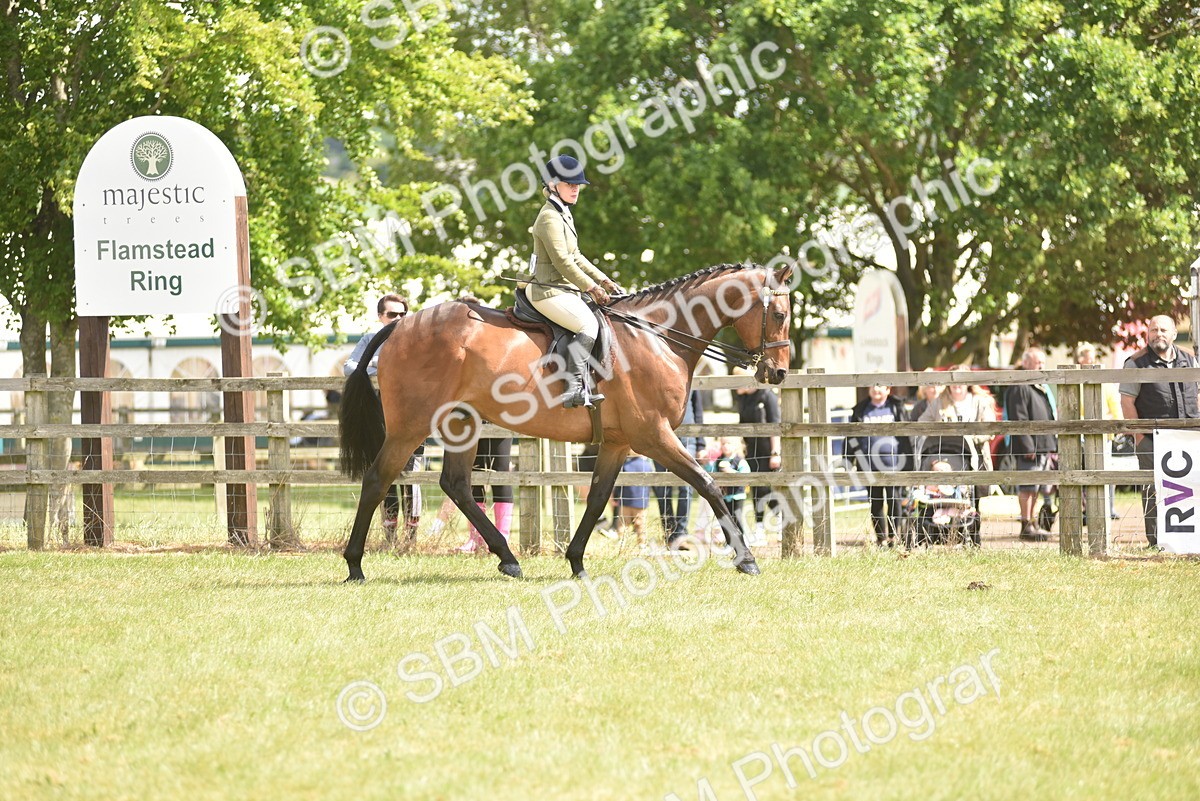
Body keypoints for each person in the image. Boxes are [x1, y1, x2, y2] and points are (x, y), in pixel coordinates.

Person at [527, 155, 622, 409]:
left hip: (563, 290)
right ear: (552, 184)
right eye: (570, 184)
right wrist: (591, 287)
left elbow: (576, 256)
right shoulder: (549, 217)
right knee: (588, 325)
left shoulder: (563, 213)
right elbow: (562, 262)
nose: (575, 188)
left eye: (577, 184)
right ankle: (572, 389)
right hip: (547, 291)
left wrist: (604, 279)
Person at [343, 293, 421, 543]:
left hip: (412, 418)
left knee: (412, 477)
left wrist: (375, 365)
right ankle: (390, 535)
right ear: (380, 317)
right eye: (392, 314)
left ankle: (411, 537)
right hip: (379, 417)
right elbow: (349, 367)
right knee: (384, 473)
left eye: (402, 314)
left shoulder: (417, 340)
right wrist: (383, 362)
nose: (398, 319)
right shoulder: (369, 339)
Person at [1119, 315, 1199, 547]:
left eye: (1164, 330)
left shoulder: (1190, 360)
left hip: (1189, 438)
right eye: (1153, 330)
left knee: (1193, 484)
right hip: (1153, 440)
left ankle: (1191, 539)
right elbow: (1127, 403)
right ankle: (1157, 541)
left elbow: (1198, 394)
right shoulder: (1135, 363)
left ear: (1174, 333)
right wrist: (1139, 437)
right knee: (1154, 489)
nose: (1158, 334)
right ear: (1148, 334)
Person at [847, 384, 912, 546]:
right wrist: (848, 460)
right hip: (869, 464)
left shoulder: (896, 407)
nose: (876, 390)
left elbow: (906, 436)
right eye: (873, 386)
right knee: (875, 501)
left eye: (880, 386)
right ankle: (881, 538)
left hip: (894, 463)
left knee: (894, 499)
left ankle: (892, 536)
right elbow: (851, 437)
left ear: (888, 389)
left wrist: (909, 461)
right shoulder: (861, 410)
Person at [1004, 348, 1058, 542]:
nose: (1041, 366)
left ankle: (1033, 522)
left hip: (1043, 444)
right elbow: (1018, 418)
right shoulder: (1020, 386)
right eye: (1038, 363)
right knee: (1027, 487)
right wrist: (1028, 446)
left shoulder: (1038, 385)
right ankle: (1026, 524)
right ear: (1026, 363)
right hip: (1030, 447)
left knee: (1036, 487)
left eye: (1043, 363)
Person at [652, 390, 706, 547]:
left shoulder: (690, 378)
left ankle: (681, 534)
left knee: (686, 486)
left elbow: (698, 411)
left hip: (688, 437)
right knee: (662, 488)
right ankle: (669, 532)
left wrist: (701, 443)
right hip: (659, 437)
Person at [734, 368, 782, 543]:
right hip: (750, 450)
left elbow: (775, 424)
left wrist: (775, 453)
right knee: (755, 490)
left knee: (764, 488)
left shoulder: (767, 395)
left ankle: (780, 519)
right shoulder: (743, 398)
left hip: (766, 450)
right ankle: (760, 526)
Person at [1075, 343, 1122, 521]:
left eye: (1092, 356)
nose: (1091, 360)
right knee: (1084, 473)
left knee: (1106, 472)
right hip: (1080, 436)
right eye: (1087, 357)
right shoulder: (1076, 381)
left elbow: (1114, 405)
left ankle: (1108, 507)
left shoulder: (1105, 382)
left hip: (1105, 436)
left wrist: (1118, 426)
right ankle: (1087, 510)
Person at [713, 438, 752, 540]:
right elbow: (711, 472)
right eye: (723, 443)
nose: (725, 446)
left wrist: (731, 472)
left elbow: (746, 475)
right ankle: (730, 541)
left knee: (737, 518)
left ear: (736, 445)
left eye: (728, 443)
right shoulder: (718, 461)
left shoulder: (740, 461)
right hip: (723, 496)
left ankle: (742, 539)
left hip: (737, 495)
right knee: (725, 519)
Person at [614, 453, 655, 548]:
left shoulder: (625, 465)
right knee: (640, 524)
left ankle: (621, 542)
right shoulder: (647, 466)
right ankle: (642, 544)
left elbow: (619, 483)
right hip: (641, 501)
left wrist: (616, 496)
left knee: (623, 523)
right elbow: (651, 483)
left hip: (626, 501)